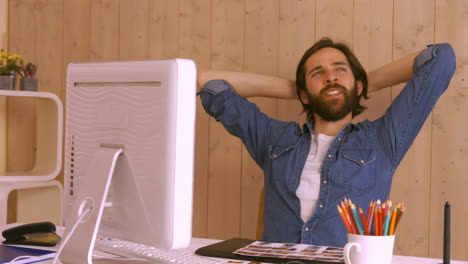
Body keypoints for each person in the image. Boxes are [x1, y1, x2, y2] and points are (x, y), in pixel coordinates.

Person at [197, 38, 456, 247]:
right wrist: (295, 90)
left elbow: (440, 58)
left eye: (340, 70)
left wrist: (363, 84)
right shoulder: (274, 139)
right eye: (318, 73)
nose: (330, 77)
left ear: (358, 85)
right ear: (304, 95)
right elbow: (208, 84)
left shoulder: (382, 140)